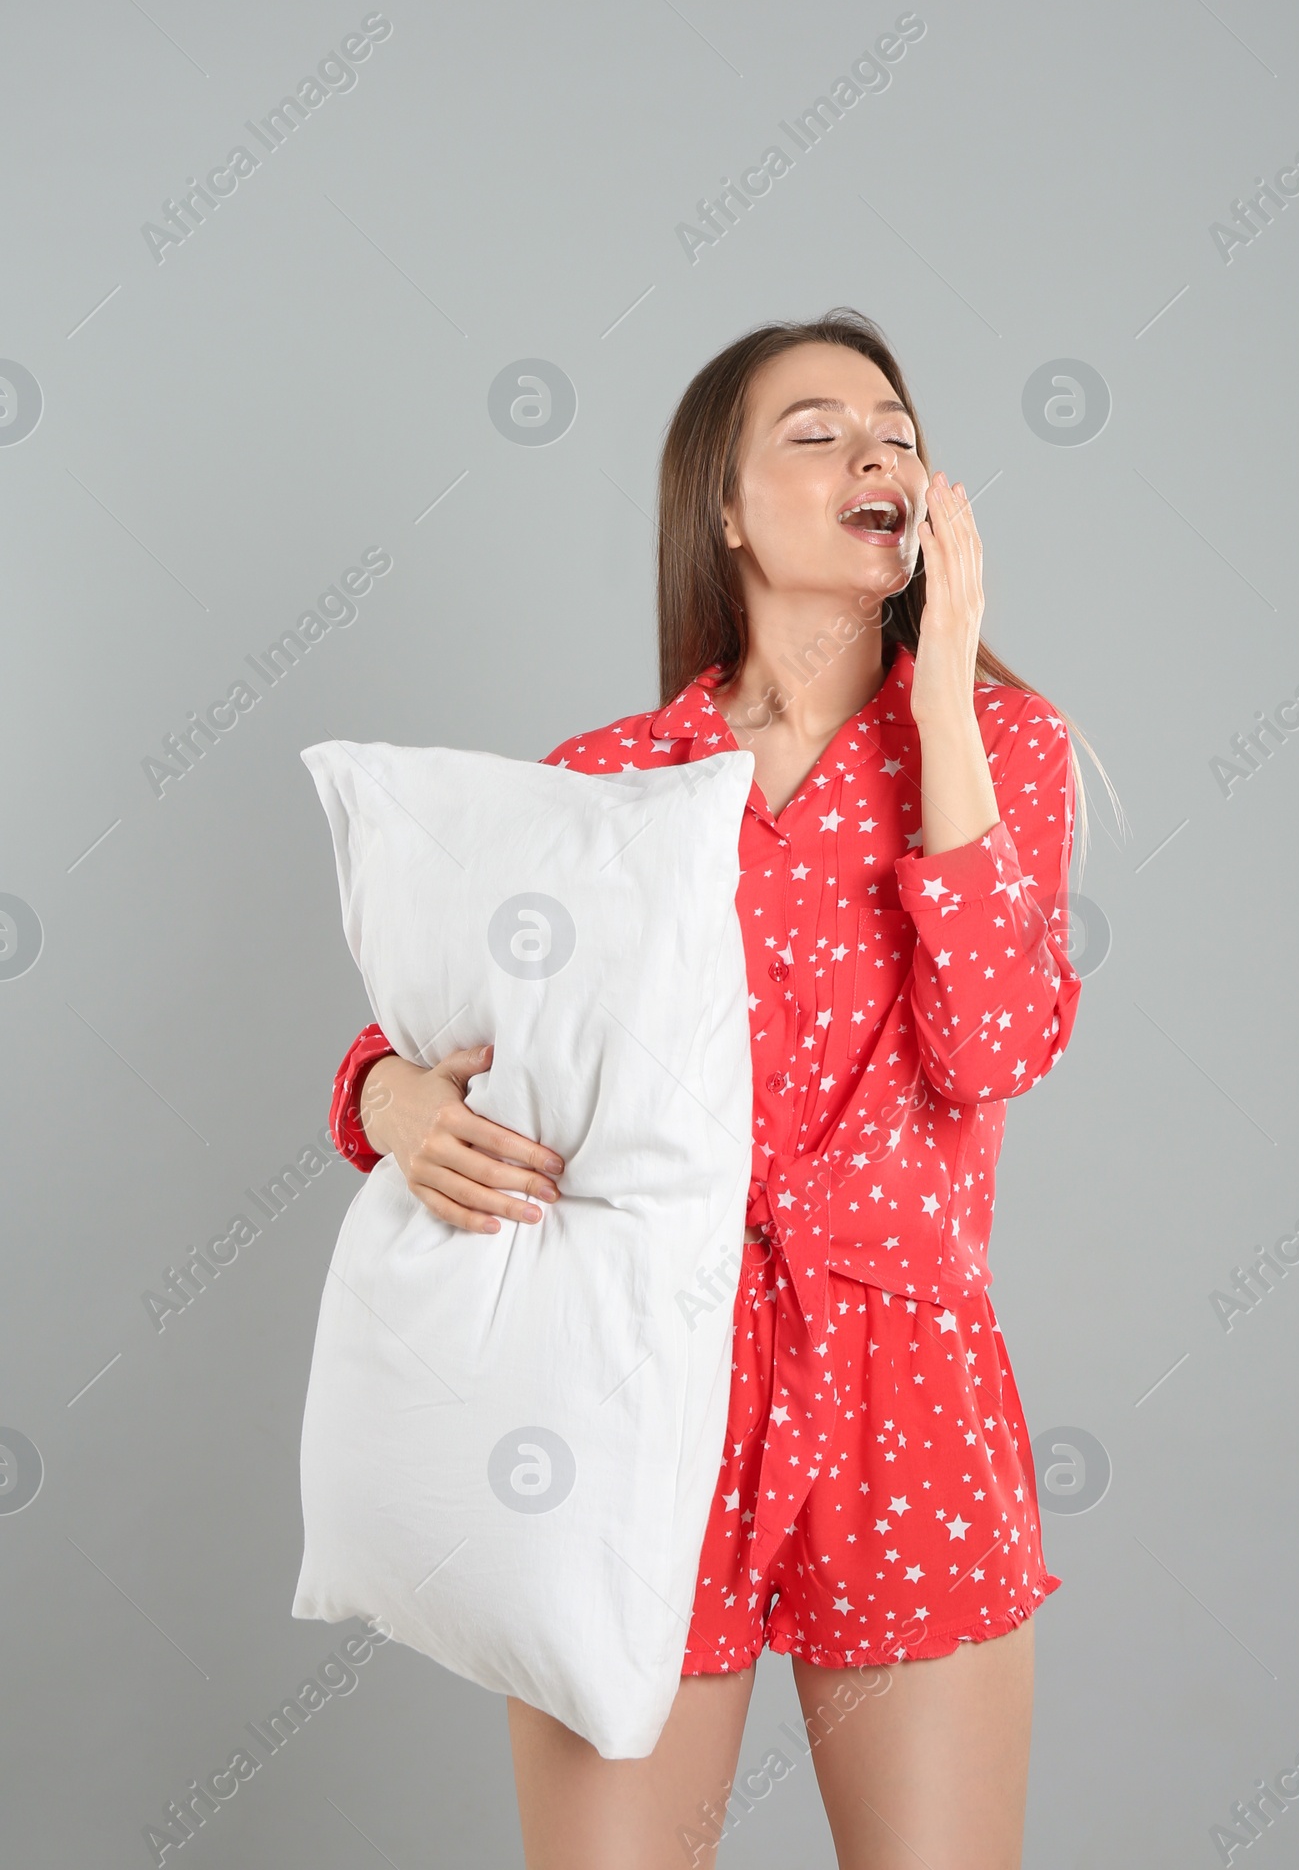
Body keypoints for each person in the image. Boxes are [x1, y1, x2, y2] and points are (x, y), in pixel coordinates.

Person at [327, 308, 1109, 1869]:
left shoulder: (1002, 745)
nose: (875, 447)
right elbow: (445, 1037)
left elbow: (999, 1042)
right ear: (727, 512)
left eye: (894, 427)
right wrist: (386, 1106)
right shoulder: (610, 779)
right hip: (634, 1379)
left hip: (904, 1392)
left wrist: (943, 694)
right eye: (815, 431)